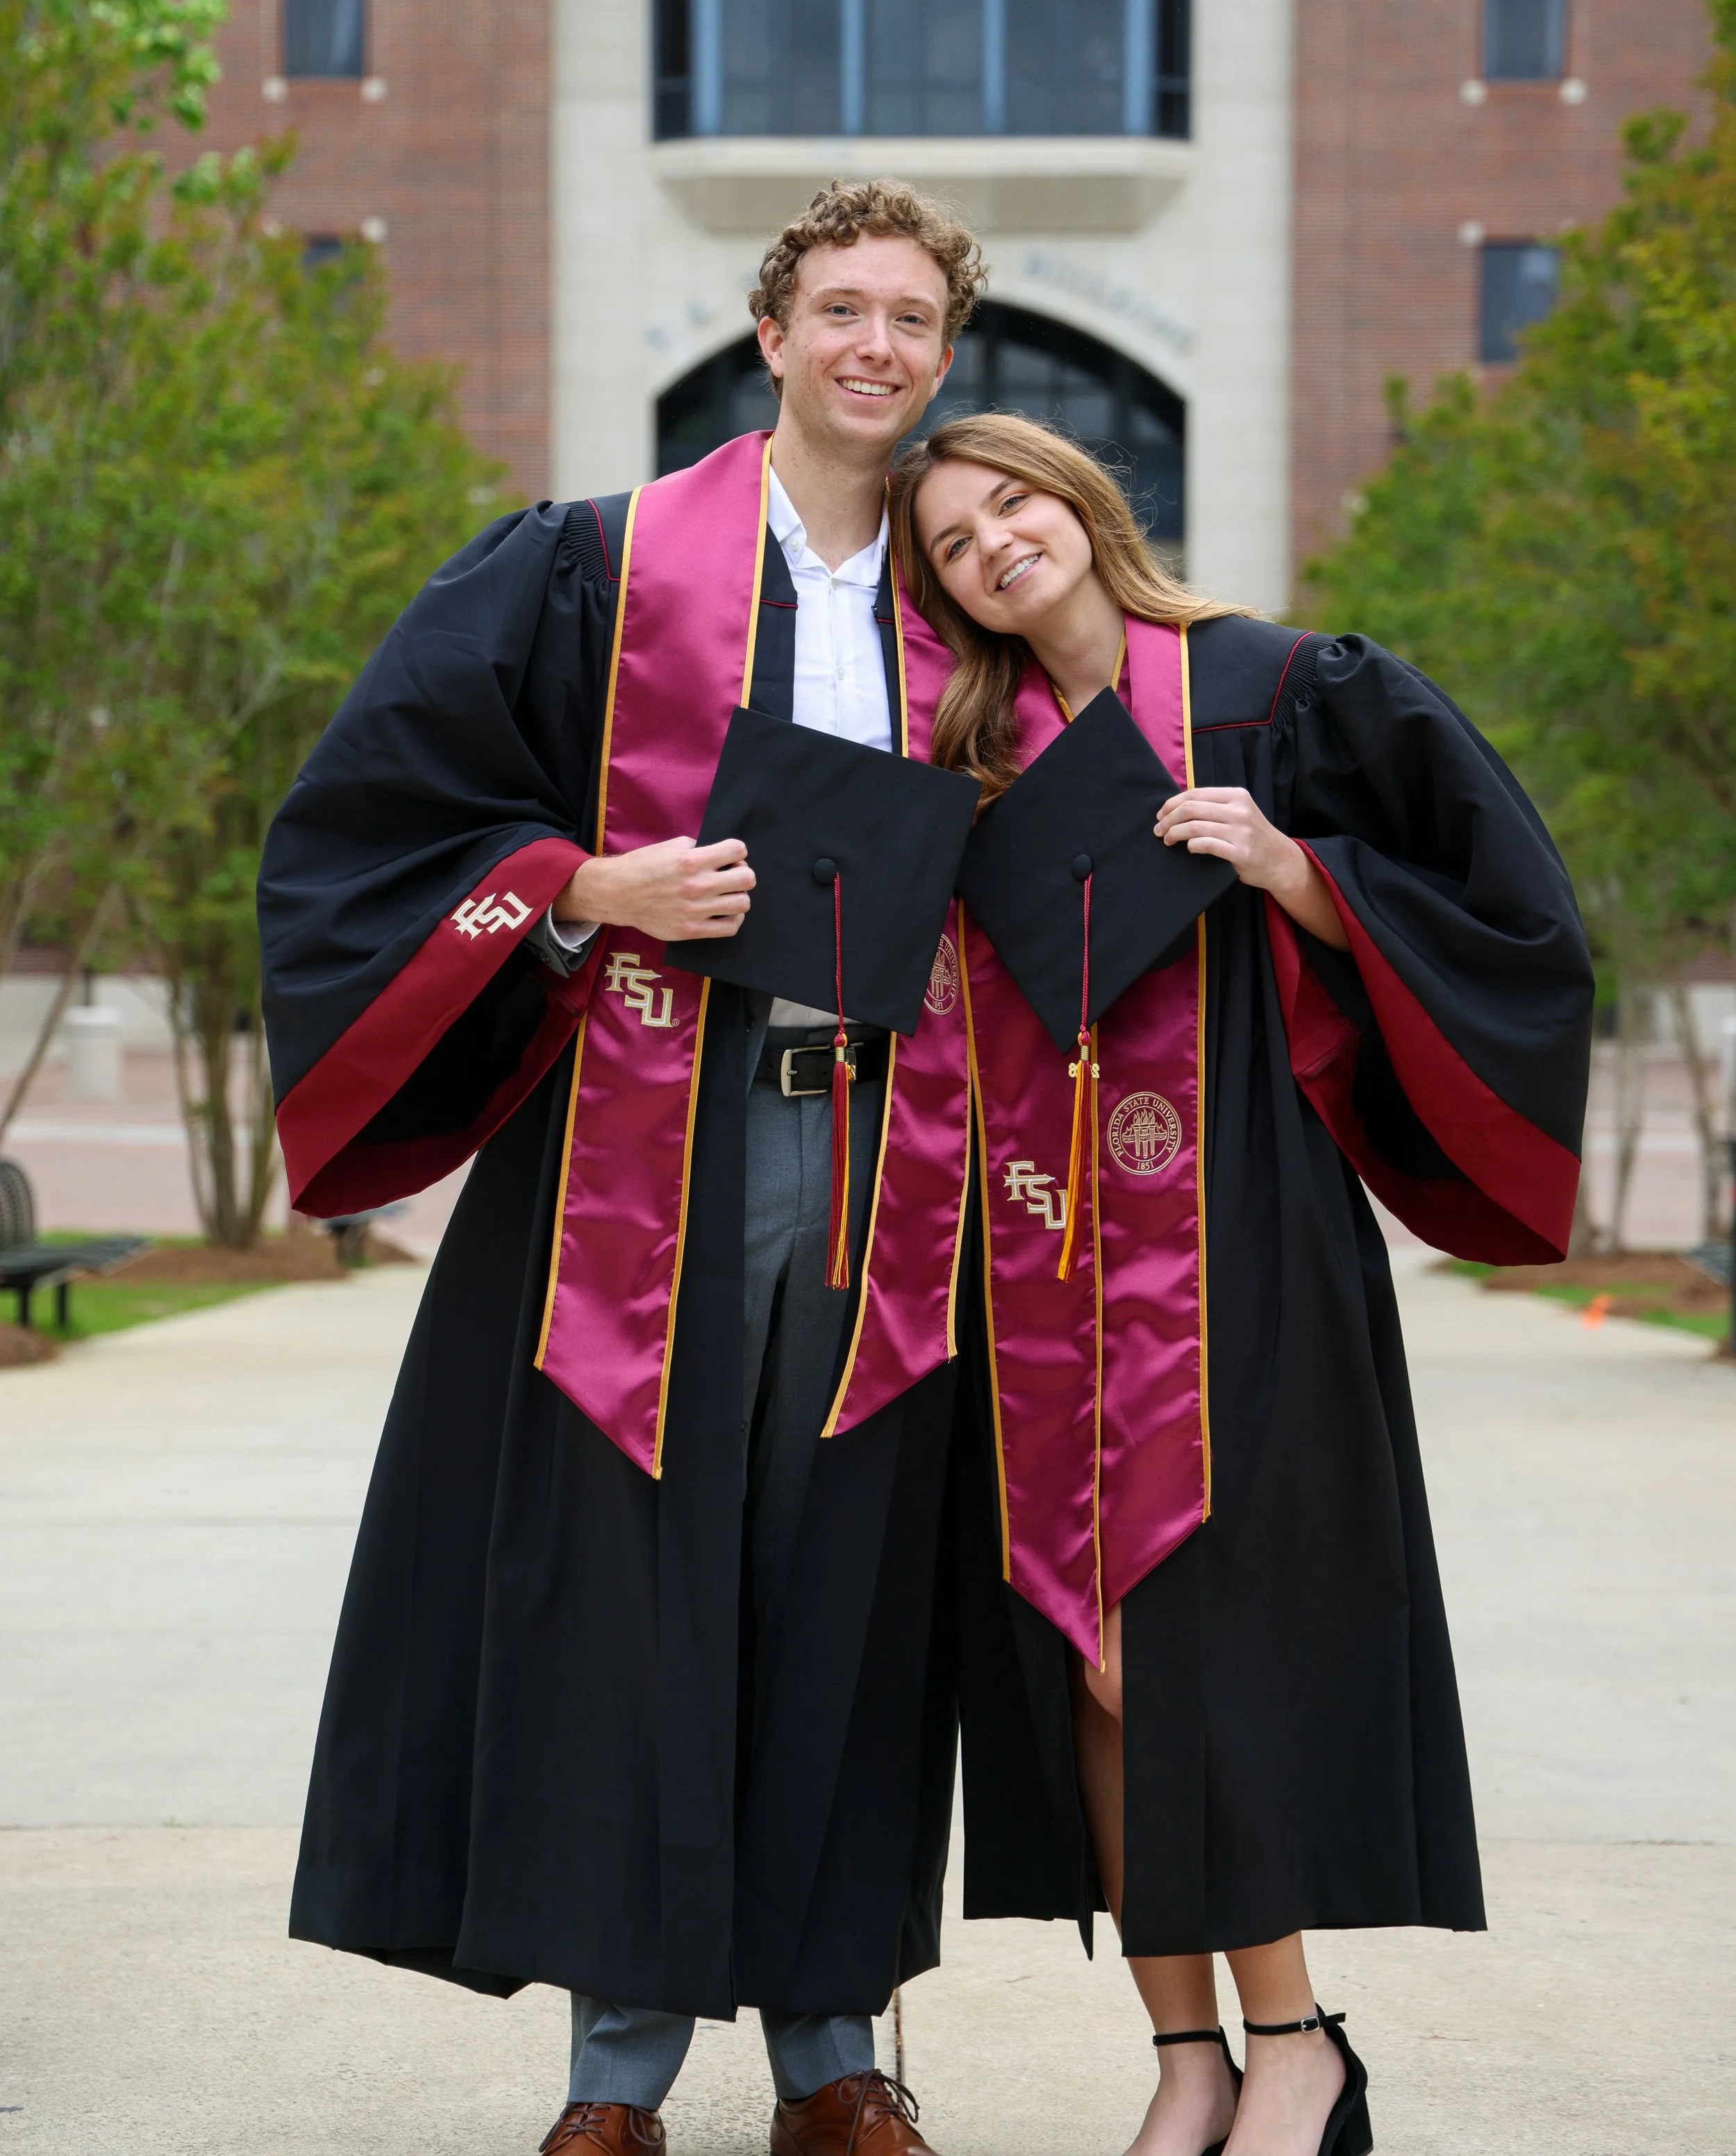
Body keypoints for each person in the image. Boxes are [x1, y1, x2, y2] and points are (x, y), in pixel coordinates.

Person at [260, 181, 990, 2156]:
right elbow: (368, 808)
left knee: (841, 1593)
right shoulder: (594, 566)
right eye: (839, 305)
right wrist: (581, 881)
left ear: (943, 352)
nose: (874, 343)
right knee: (629, 1596)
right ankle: (617, 2077)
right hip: (641, 1148)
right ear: (769, 334)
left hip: (883, 1152)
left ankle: (834, 2056)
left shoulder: (974, 590)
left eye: (911, 317)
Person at [888, 413, 1594, 2156]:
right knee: (1080, 1656)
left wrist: (1298, 869)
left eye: (1009, 501)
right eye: (953, 542)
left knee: (1188, 1652)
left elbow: (1511, 913)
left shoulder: (1279, 686)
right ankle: (1188, 2057)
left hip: (1240, 1243)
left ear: (1077, 495)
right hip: (1040, 1258)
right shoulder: (970, 759)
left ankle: (1295, 2045)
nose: (992, 544)